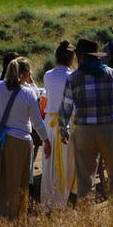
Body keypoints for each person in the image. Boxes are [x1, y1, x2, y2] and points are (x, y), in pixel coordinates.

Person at [58, 39, 113, 206]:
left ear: (82, 56)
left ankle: (86, 215)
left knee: (85, 177)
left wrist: (64, 130)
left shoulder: (74, 78)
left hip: (84, 131)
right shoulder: (111, 74)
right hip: (109, 130)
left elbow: (65, 108)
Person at [0, 57, 39, 221]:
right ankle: (13, 216)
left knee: (0, 178)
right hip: (18, 140)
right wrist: (46, 140)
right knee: (18, 181)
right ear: (24, 73)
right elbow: (37, 122)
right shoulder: (28, 93)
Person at [40, 42, 77, 211]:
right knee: (66, 163)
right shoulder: (73, 75)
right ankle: (62, 201)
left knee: (49, 163)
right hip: (66, 122)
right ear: (71, 58)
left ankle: (47, 201)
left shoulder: (48, 75)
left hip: (49, 122)